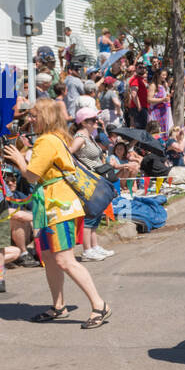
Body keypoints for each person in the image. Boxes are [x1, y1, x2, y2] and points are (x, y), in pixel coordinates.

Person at [2, 99, 110, 328]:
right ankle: (58, 306)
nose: (29, 120)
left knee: (63, 259)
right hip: (52, 205)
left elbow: (31, 176)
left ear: (45, 117)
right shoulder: (56, 137)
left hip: (58, 206)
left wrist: (20, 160)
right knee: (50, 258)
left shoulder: (46, 141)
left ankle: (99, 305)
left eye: (33, 116)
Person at [70, 107, 115, 261]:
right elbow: (69, 153)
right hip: (89, 181)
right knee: (90, 215)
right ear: (84, 122)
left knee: (96, 214)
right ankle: (87, 249)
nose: (97, 122)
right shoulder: (80, 137)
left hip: (97, 179)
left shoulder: (90, 136)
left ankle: (94, 246)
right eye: (93, 120)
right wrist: (80, 168)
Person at [148, 68, 173, 134]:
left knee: (165, 130)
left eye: (166, 75)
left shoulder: (164, 85)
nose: (165, 77)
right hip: (156, 112)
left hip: (165, 112)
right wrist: (162, 100)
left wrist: (170, 95)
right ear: (157, 75)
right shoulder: (153, 85)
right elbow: (149, 99)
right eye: (163, 75)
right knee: (156, 130)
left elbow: (165, 97)